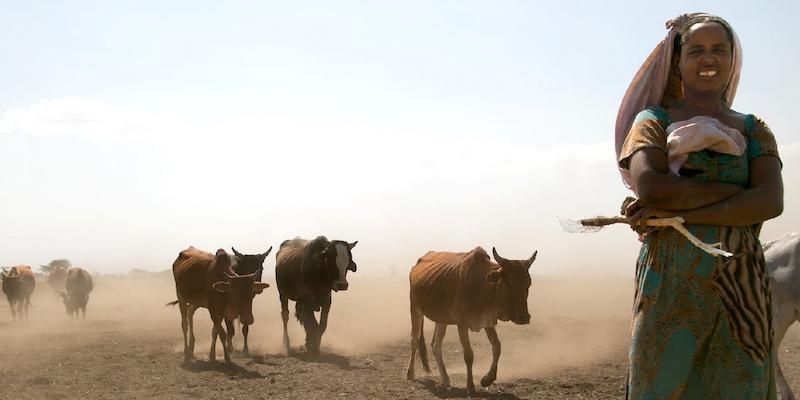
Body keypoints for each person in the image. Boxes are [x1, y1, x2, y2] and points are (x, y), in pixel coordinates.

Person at [615, 13, 784, 399]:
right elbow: (652, 188)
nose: (708, 59)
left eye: (718, 50)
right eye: (696, 51)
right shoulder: (652, 120)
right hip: (668, 281)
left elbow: (771, 201)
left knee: (740, 383)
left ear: (732, 60)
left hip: (739, 287)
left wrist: (683, 212)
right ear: (678, 62)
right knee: (659, 384)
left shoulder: (754, 128)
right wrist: (739, 193)